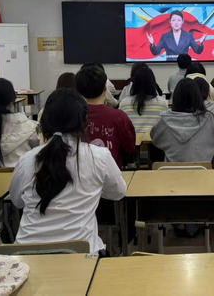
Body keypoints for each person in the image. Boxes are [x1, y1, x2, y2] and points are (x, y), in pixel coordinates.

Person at [10, 89, 127, 254]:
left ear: (44, 121)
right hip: (82, 254)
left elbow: (17, 201)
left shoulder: (27, 159)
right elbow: (119, 192)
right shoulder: (99, 156)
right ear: (84, 122)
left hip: (27, 254)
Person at [76, 65, 136, 169]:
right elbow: (129, 148)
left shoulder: (74, 116)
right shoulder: (119, 117)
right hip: (112, 174)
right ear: (105, 88)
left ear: (79, 90)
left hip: (80, 174)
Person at [150, 79, 214, 163]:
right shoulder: (208, 118)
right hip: (202, 169)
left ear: (176, 98)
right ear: (197, 97)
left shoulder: (165, 119)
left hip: (171, 169)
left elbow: (155, 139)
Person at [119, 66, 168, 133]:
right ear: (153, 82)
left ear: (134, 83)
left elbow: (120, 127)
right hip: (154, 139)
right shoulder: (163, 103)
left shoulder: (124, 103)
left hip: (131, 139)